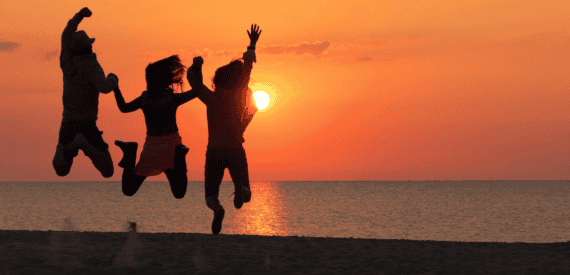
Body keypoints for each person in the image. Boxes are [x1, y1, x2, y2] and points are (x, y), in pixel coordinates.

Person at [187, 24, 261, 234]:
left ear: (217, 80)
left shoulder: (211, 98)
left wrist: (196, 65)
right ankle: (241, 188)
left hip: (214, 152)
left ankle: (218, 209)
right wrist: (252, 43)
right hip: (235, 149)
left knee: (210, 195)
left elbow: (193, 81)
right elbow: (248, 67)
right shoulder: (239, 96)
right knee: (246, 196)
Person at [112, 55, 201, 199]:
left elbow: (123, 108)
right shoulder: (170, 98)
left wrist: (116, 88)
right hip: (172, 147)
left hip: (152, 148)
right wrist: (197, 69)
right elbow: (197, 91)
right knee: (179, 193)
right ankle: (180, 158)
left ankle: (130, 153)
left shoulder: (145, 99)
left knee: (128, 190)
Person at [52, 7, 116, 178]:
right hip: (87, 123)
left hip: (68, 120)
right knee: (108, 171)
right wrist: (113, 79)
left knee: (62, 171)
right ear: (88, 46)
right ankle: (84, 145)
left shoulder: (67, 62)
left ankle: (64, 148)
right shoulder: (92, 66)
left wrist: (79, 16)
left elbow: (65, 35)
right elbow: (104, 87)